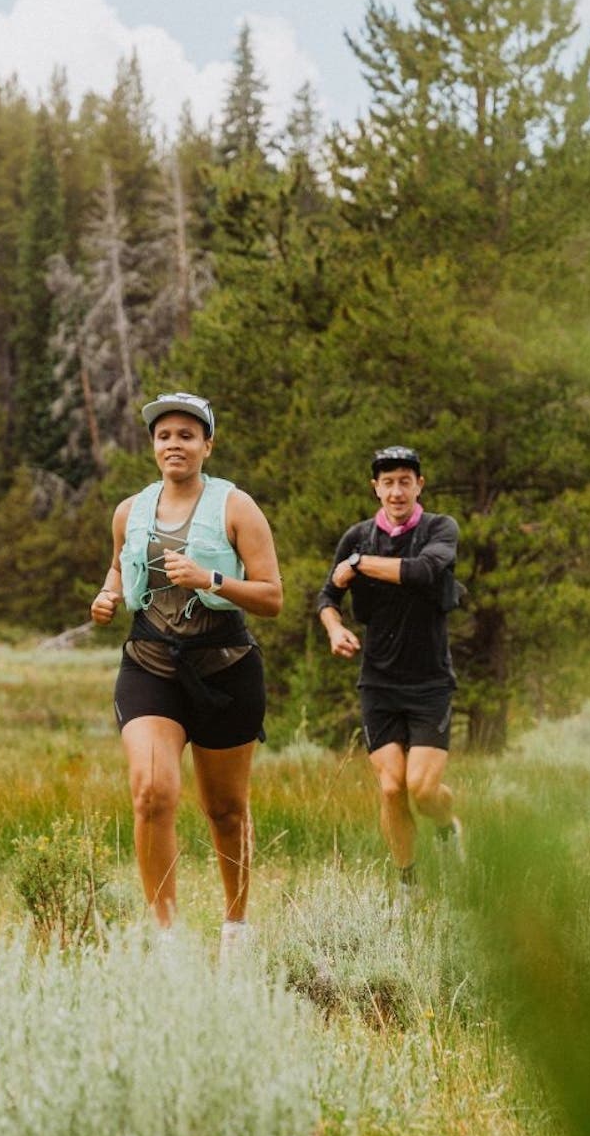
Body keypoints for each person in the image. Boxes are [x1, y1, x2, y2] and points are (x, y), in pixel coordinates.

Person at [89, 394, 284, 955]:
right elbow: (117, 568)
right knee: (152, 793)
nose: (174, 444)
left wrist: (211, 580)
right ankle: (168, 939)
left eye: (186, 435)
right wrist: (108, 595)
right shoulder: (130, 511)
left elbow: (272, 596)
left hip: (226, 669)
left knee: (226, 811)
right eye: (164, 436)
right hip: (151, 664)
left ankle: (236, 928)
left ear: (207, 446)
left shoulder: (236, 507)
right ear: (154, 446)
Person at [316, 445, 464, 898]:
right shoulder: (357, 536)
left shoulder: (439, 528)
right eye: (388, 483)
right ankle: (408, 884)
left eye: (404, 482)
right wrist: (334, 628)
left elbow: (423, 571)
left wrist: (358, 565)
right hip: (378, 682)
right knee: (391, 787)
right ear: (375, 488)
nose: (396, 491)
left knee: (422, 788)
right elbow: (327, 596)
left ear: (419, 485)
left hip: (430, 683)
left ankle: (447, 825)